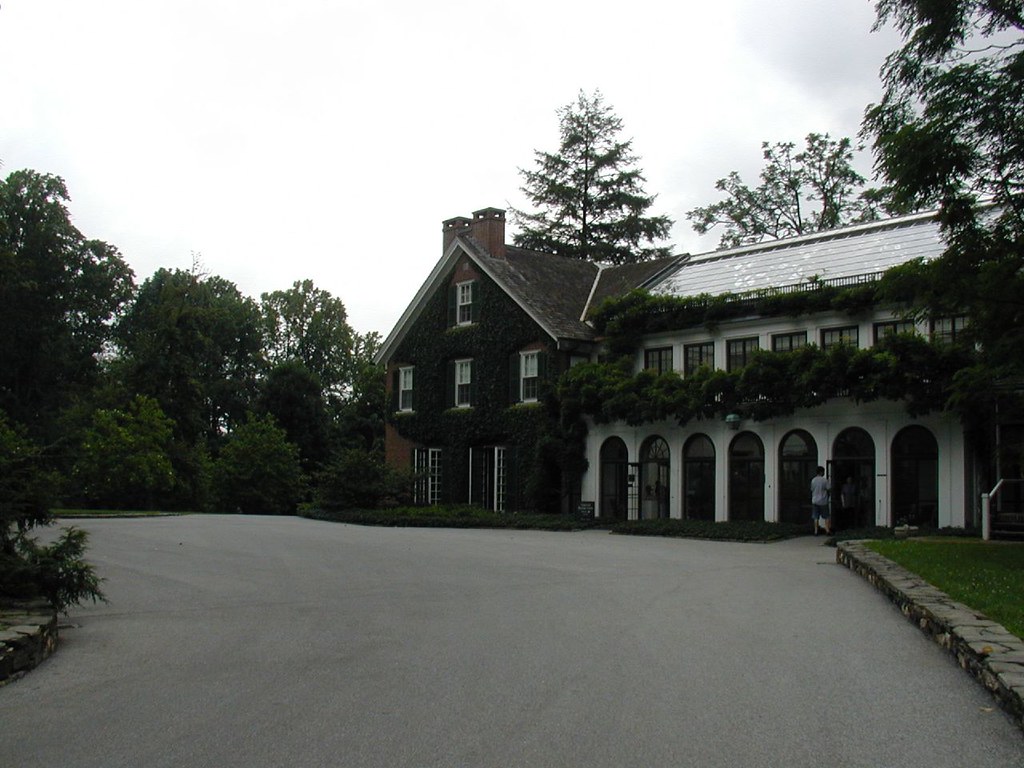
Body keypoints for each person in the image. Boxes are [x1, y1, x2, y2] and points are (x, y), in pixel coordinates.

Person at [810, 466, 831, 536]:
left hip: (815, 500)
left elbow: (812, 489)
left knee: (816, 517)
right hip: (823, 501)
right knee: (826, 516)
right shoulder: (824, 480)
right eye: (823, 471)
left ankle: (816, 531)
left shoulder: (813, 480)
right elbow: (829, 489)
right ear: (821, 472)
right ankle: (827, 530)